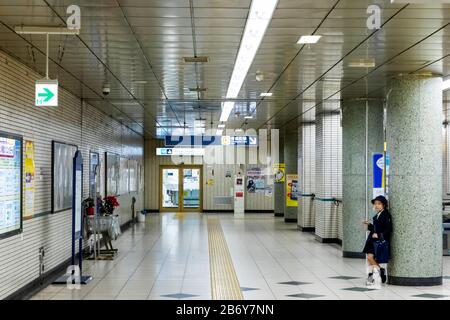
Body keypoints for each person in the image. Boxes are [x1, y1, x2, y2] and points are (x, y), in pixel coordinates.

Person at [362, 195, 393, 286]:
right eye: (375, 204)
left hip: (378, 241)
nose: (376, 206)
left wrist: (379, 235)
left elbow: (388, 229)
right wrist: (369, 225)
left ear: (383, 205)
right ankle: (371, 277)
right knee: (369, 259)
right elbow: (376, 228)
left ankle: (380, 271)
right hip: (372, 240)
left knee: (370, 258)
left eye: (379, 204)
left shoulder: (386, 215)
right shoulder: (378, 215)